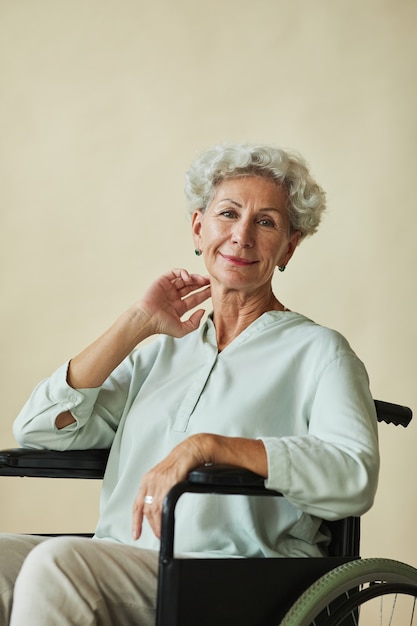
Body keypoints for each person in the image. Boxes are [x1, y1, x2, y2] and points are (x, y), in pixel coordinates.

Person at [0, 143, 379, 625]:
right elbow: (38, 428)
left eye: (265, 222)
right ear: (199, 228)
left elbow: (353, 473)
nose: (241, 236)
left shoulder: (320, 351)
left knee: (61, 567)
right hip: (120, 557)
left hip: (238, 572)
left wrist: (208, 446)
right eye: (227, 214)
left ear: (289, 246)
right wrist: (136, 322)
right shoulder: (162, 350)